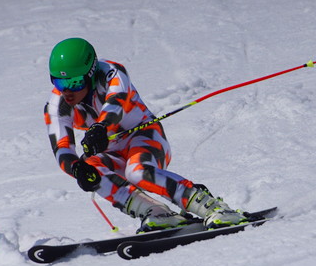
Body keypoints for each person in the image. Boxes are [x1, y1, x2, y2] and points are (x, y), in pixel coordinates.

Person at [44, 37, 247, 232]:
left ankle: (213, 208)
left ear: (90, 75)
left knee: (137, 172)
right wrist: (77, 169)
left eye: (75, 83)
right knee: (90, 170)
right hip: (112, 152)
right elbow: (62, 148)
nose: (67, 91)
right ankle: (155, 212)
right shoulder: (58, 105)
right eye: (60, 83)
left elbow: (117, 102)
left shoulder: (111, 73)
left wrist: (101, 128)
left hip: (145, 136)